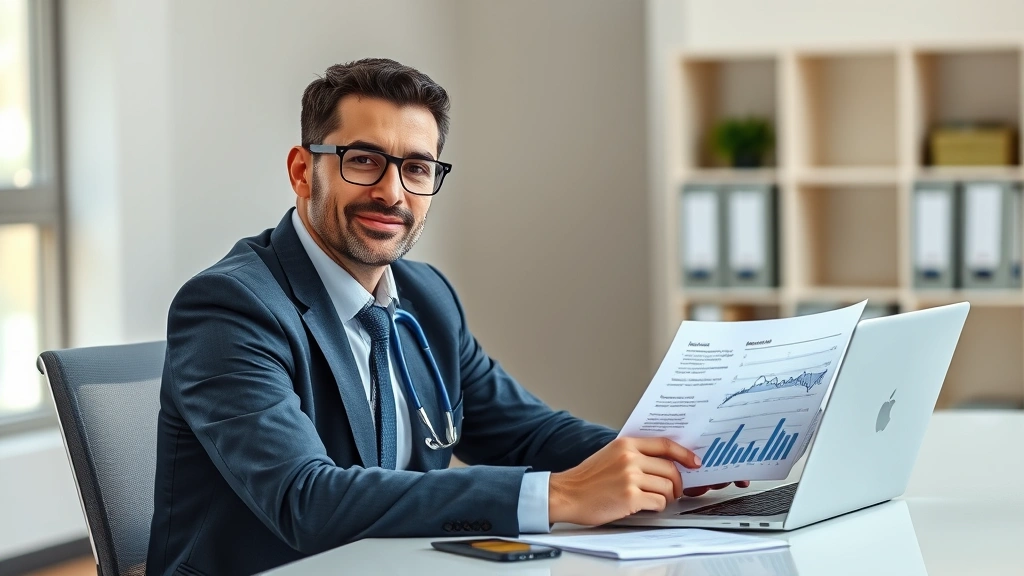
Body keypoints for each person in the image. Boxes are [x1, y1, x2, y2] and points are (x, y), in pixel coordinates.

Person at [146, 58, 746, 576]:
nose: (393, 193)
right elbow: (306, 500)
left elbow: (524, 432)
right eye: (363, 160)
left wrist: (675, 458)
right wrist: (559, 495)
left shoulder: (426, 297)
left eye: (416, 168)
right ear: (304, 171)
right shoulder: (230, 307)